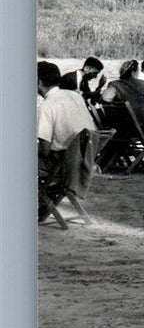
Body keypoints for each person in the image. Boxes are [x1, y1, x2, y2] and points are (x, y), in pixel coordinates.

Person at [38, 61, 99, 219]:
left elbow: (44, 150)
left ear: (38, 82)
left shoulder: (46, 106)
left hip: (63, 164)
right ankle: (44, 203)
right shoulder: (75, 96)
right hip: (84, 157)